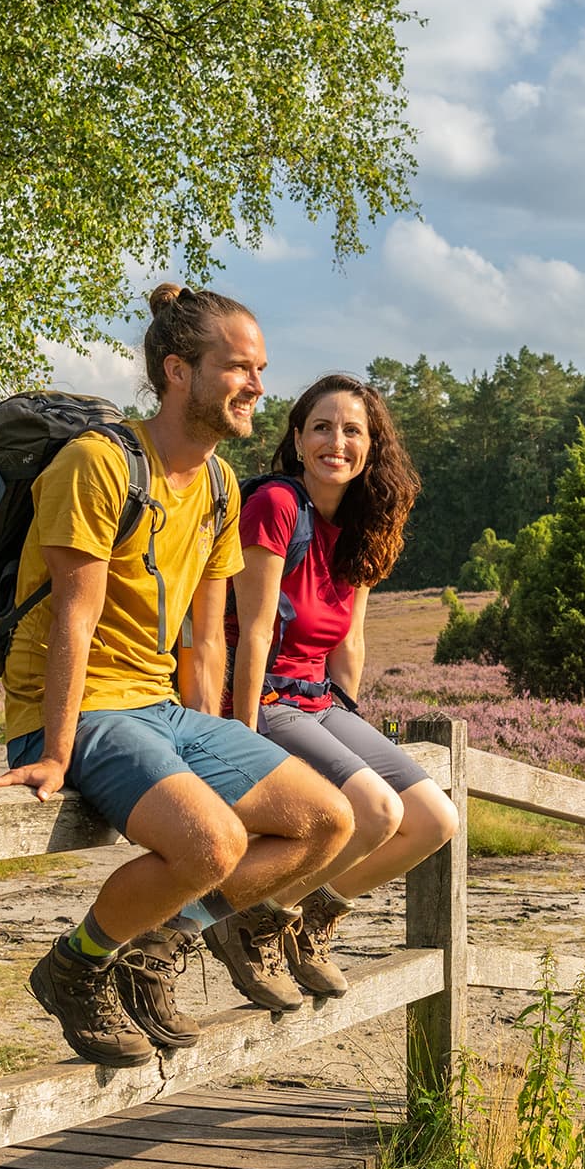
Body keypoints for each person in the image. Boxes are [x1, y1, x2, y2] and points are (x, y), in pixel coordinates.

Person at [0, 284, 355, 1067]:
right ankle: (77, 966)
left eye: (261, 369)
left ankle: (160, 944)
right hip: (84, 709)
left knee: (328, 821)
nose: (258, 386)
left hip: (160, 707)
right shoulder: (100, 463)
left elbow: (204, 640)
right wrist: (50, 752)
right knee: (214, 844)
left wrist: (228, 741)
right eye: (239, 369)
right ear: (180, 371)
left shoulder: (221, 484)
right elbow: (71, 620)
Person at [221, 372, 459, 997]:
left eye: (352, 430)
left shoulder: (363, 523)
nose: (337, 441)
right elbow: (252, 633)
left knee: (435, 820)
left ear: (371, 446)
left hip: (318, 702)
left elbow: (348, 641)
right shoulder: (275, 506)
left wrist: (353, 726)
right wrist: (241, 740)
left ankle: (307, 921)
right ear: (297, 439)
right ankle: (252, 921)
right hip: (265, 694)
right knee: (376, 812)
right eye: (321, 427)